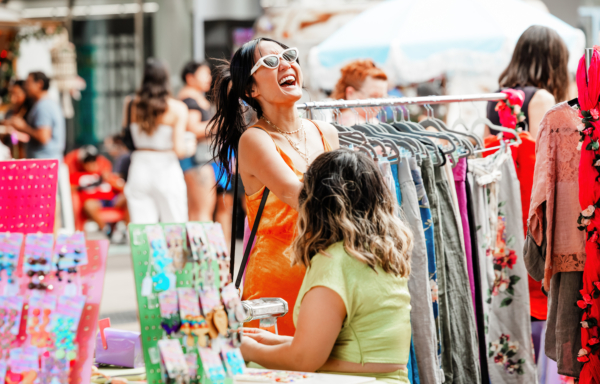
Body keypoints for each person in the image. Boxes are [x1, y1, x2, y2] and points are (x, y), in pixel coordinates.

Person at [241, 149, 413, 384]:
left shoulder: (336, 261)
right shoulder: (380, 254)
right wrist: (266, 341)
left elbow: (304, 359)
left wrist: (246, 350)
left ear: (314, 202)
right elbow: (341, 349)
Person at [210, 37, 339, 336]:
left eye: (289, 55)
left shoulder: (326, 132)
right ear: (250, 89)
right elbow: (298, 196)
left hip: (327, 271)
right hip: (278, 281)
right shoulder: (254, 139)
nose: (285, 63)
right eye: (269, 62)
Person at [123, 59, 190, 224]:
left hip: (139, 166)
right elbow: (179, 150)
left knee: (142, 229)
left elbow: (126, 136)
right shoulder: (177, 108)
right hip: (166, 168)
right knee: (175, 225)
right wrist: (191, 147)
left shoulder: (131, 104)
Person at [486, 25, 570, 139]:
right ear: (554, 64)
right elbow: (543, 153)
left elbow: (485, 146)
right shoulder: (541, 98)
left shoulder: (496, 96)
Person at [178, 61, 218, 222]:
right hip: (196, 161)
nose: (209, 78)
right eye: (204, 74)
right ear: (190, 78)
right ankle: (205, 246)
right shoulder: (190, 100)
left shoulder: (192, 98)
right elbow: (193, 128)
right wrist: (221, 123)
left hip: (196, 160)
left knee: (196, 211)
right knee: (203, 211)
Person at [66, 145, 128, 231]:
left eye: (94, 160)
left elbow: (123, 187)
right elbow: (67, 189)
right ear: (82, 162)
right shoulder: (77, 177)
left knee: (129, 197)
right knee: (89, 205)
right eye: (88, 161)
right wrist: (83, 186)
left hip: (112, 199)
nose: (91, 163)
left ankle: (128, 230)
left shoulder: (106, 173)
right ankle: (107, 230)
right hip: (95, 202)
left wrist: (110, 179)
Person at [8, 71, 65, 160]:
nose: (25, 87)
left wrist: (23, 127)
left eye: (28, 83)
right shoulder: (47, 104)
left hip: (44, 164)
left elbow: (43, 137)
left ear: (39, 84)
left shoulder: (43, 106)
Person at [330, 59, 388, 126]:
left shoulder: (369, 121)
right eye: (373, 96)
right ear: (350, 93)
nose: (379, 104)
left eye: (382, 97)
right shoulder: (353, 125)